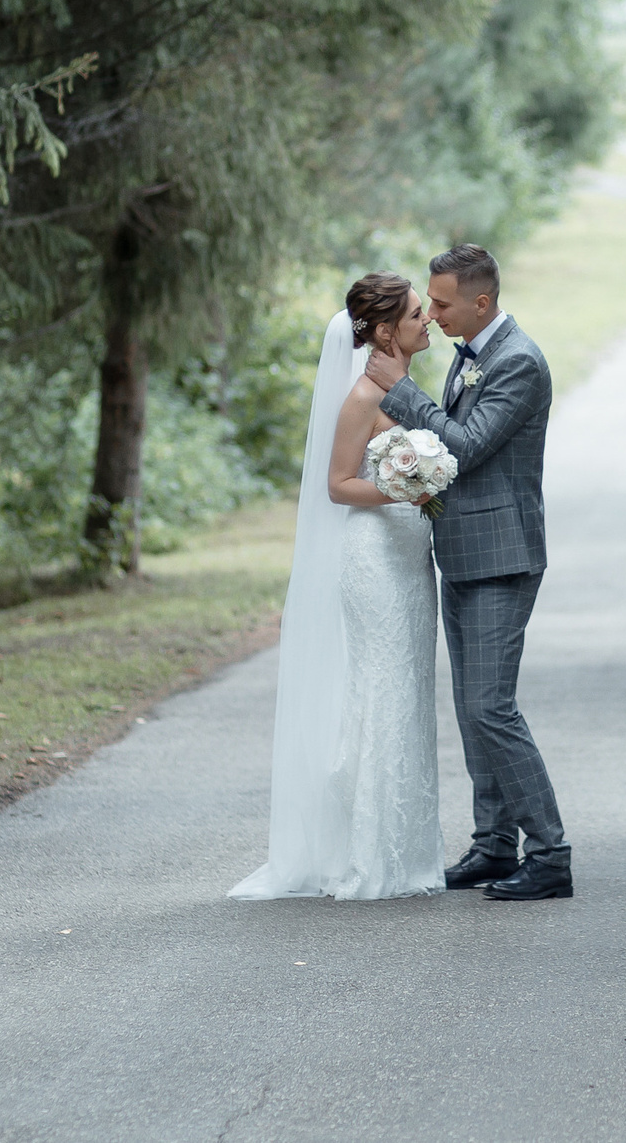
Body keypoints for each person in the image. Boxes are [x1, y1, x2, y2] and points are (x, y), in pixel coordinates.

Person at [361, 242, 570, 902]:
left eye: (444, 303)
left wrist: (401, 391)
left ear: (482, 301)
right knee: (471, 708)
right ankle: (492, 843)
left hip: (502, 555)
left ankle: (550, 852)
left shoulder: (519, 363)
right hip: (463, 551)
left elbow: (466, 446)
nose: (436, 314)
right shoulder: (472, 353)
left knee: (490, 706)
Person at [230, 273, 445, 900]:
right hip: (374, 556)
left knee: (408, 695)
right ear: (384, 332)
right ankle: (370, 855)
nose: (425, 319)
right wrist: (407, 488)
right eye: (413, 314)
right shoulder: (358, 397)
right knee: (380, 696)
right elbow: (338, 485)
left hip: (408, 556)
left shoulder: (401, 390)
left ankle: (408, 853)